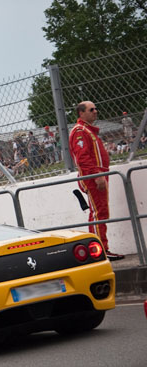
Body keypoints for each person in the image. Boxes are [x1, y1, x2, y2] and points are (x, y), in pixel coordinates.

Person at [69, 101, 124, 260]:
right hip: (93, 177)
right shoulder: (80, 131)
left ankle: (100, 249)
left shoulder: (87, 130)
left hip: (97, 175)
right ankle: (100, 251)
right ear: (81, 113)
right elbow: (83, 158)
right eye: (91, 109)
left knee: (101, 212)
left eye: (95, 109)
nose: (95, 111)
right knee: (99, 213)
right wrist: (97, 176)